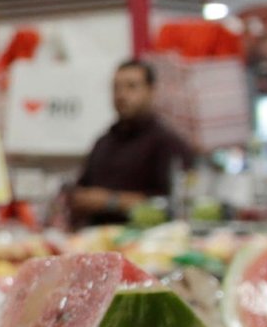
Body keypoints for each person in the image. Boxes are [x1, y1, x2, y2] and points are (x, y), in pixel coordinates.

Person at [66, 59, 195, 223]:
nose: (121, 95)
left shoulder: (168, 144)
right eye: (116, 88)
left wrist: (110, 201)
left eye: (131, 86)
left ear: (151, 91)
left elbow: (174, 205)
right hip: (97, 240)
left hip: (151, 243)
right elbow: (82, 190)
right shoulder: (103, 142)